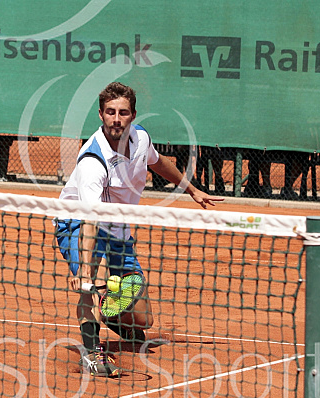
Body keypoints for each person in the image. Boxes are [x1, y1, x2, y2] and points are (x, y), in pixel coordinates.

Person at [55, 82, 223, 378]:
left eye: (122, 113)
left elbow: (159, 163)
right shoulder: (93, 162)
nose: (116, 119)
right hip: (79, 223)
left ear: (133, 115)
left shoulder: (141, 138)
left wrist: (192, 190)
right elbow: (91, 219)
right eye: (110, 112)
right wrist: (84, 273)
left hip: (117, 226)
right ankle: (93, 353)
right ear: (100, 115)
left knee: (142, 320)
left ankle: (111, 309)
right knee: (88, 283)